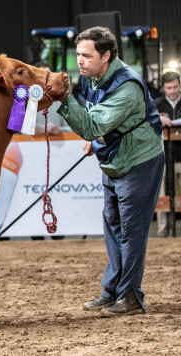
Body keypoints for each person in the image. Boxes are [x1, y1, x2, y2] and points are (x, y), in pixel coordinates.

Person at [57, 27, 164, 317]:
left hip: (139, 161)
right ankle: (112, 290)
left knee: (131, 231)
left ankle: (130, 297)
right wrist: (96, 142)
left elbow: (93, 123)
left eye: (86, 55)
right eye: (78, 54)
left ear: (106, 55)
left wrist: (64, 99)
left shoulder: (127, 85)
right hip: (114, 159)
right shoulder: (94, 77)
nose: (79, 61)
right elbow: (102, 122)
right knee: (113, 226)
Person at [154, 71, 181, 237]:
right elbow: (144, 118)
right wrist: (157, 118)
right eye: (169, 87)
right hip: (161, 157)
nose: (173, 90)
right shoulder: (156, 104)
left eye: (176, 87)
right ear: (163, 88)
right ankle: (162, 231)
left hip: (180, 156)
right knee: (161, 193)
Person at [33, 61, 73, 135]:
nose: (45, 80)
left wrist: (59, 130)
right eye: (42, 76)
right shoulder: (25, 101)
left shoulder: (63, 100)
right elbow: (15, 130)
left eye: (48, 76)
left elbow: (73, 128)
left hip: (60, 144)